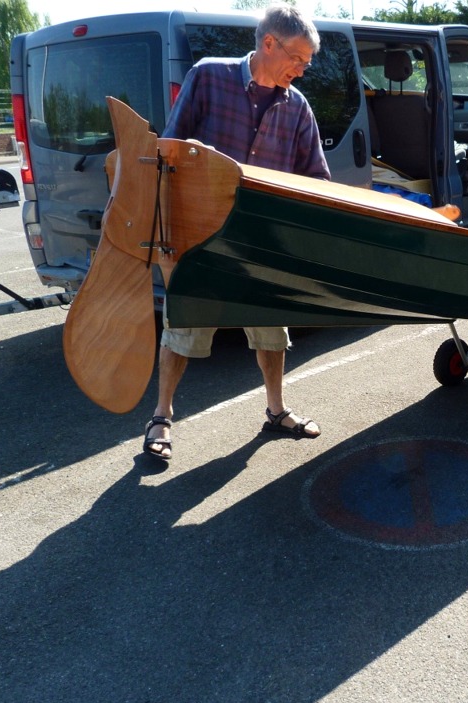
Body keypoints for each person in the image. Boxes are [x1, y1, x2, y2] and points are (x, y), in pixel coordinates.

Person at [143, 3, 329, 461]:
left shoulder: (297, 107)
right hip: (201, 236)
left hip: (260, 240)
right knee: (183, 326)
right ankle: (160, 418)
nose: (302, 71)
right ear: (269, 43)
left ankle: (276, 410)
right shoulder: (208, 77)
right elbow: (169, 148)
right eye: (298, 59)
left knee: (271, 330)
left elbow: (316, 181)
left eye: (307, 62)